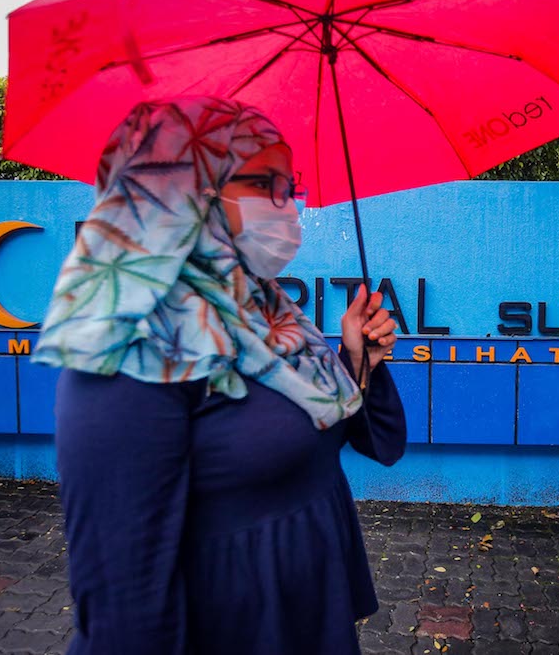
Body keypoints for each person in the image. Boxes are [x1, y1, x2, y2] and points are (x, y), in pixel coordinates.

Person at [32, 96, 407, 655]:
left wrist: (360, 358)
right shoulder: (130, 345)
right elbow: (123, 602)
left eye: (291, 185)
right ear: (185, 189)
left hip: (308, 612)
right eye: (269, 184)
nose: (289, 207)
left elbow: (364, 437)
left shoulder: (265, 309)